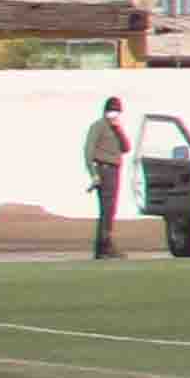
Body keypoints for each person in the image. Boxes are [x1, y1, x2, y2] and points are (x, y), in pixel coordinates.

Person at [81, 95, 133, 257]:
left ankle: (102, 247)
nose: (114, 115)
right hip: (104, 170)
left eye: (117, 112)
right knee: (107, 209)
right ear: (105, 112)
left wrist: (118, 130)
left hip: (114, 171)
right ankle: (105, 245)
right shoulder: (98, 126)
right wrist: (94, 174)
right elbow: (88, 151)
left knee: (109, 210)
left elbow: (126, 147)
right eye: (112, 111)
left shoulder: (116, 128)